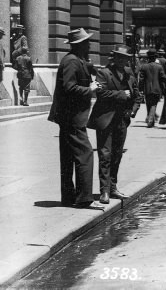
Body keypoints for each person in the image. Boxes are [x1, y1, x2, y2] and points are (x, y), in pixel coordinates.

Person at [47, 28, 101, 208]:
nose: (90, 44)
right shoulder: (71, 61)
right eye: (87, 42)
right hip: (72, 117)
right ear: (80, 45)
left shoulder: (77, 60)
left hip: (70, 116)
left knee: (69, 157)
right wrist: (90, 89)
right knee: (85, 155)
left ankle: (69, 198)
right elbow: (70, 88)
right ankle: (84, 199)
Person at [90, 46, 139, 204]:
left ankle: (113, 187)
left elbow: (137, 96)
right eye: (119, 57)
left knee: (117, 154)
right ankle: (104, 191)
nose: (122, 60)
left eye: (125, 58)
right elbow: (101, 93)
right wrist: (121, 94)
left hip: (121, 121)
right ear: (114, 58)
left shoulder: (129, 74)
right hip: (106, 119)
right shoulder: (103, 73)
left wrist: (132, 111)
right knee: (105, 155)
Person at [139, 49, 166, 128]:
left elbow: (141, 79)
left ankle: (150, 119)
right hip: (157, 89)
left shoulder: (144, 67)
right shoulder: (159, 67)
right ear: (155, 57)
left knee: (148, 104)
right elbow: (163, 77)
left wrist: (140, 89)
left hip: (147, 89)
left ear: (148, 57)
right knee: (154, 104)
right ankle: (151, 120)